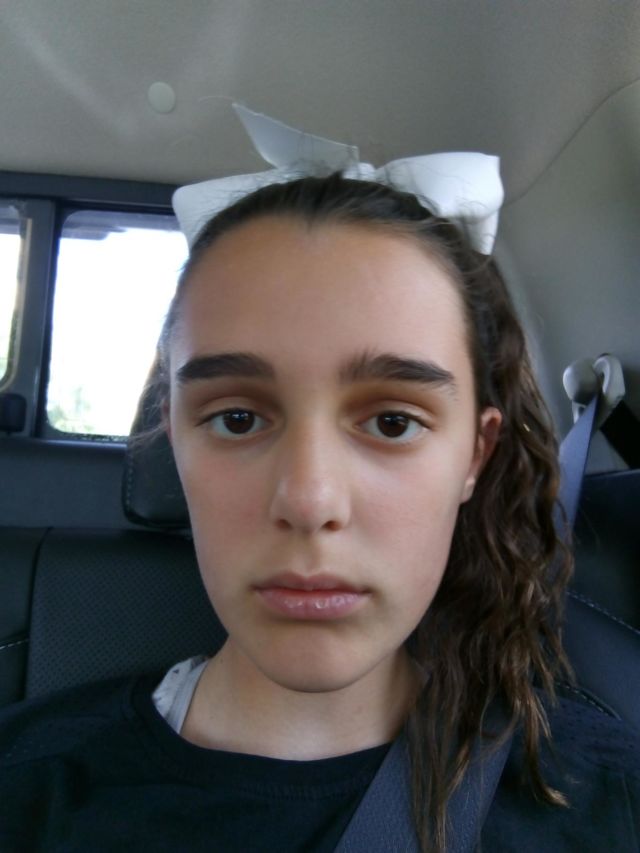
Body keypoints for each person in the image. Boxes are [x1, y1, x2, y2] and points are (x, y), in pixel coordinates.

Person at [1, 148, 639, 852]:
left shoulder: (606, 801)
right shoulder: (23, 786)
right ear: (174, 440)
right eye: (237, 418)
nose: (309, 501)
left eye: (392, 422)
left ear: (474, 457)